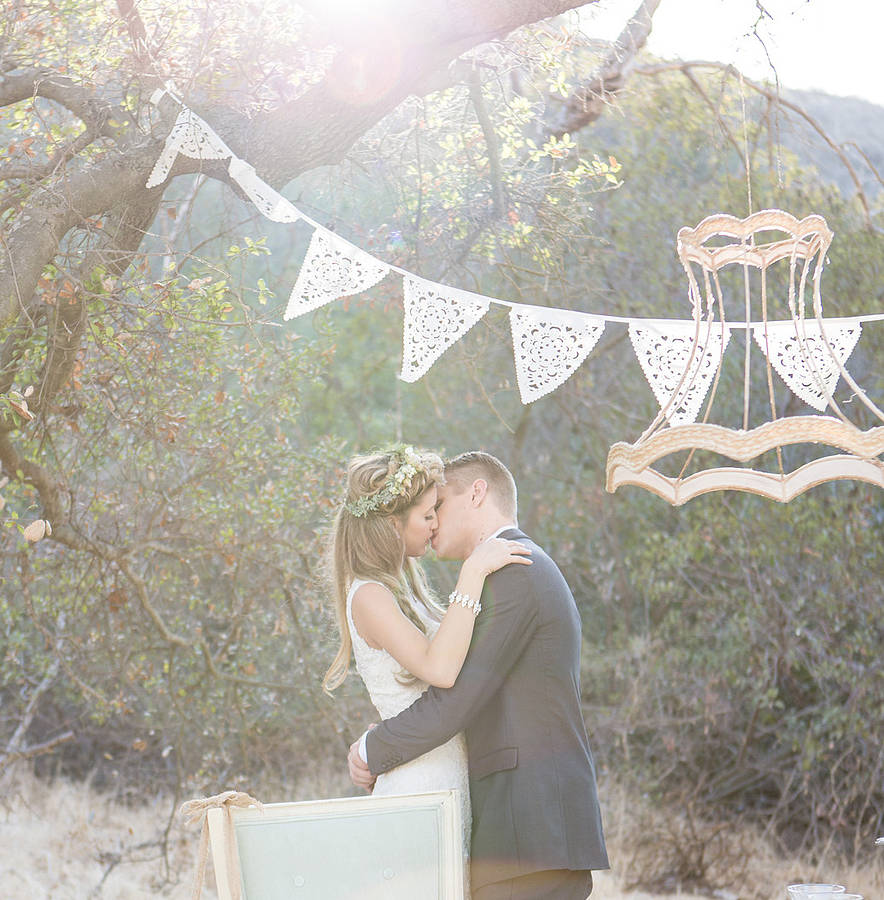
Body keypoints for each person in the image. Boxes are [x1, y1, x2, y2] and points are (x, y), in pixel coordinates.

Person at [348, 450, 609, 900]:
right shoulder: (505, 572)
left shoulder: (513, 572)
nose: (432, 524)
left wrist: (374, 748)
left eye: (439, 506)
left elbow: (456, 700)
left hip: (530, 835)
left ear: (476, 493)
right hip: (522, 836)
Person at [323, 444, 532, 877]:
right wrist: (473, 572)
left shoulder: (401, 587)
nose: (436, 523)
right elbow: (439, 669)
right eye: (427, 514)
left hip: (443, 773)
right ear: (391, 525)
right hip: (418, 781)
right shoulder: (368, 594)